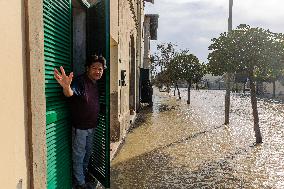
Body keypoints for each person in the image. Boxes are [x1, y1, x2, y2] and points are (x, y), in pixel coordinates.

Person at [54, 55, 106, 189]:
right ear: (87, 68)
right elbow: (70, 93)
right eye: (94, 68)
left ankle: (81, 176)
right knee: (79, 156)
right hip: (81, 128)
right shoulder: (80, 81)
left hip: (92, 127)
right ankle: (80, 184)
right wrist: (66, 87)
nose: (97, 71)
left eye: (100, 69)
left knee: (87, 154)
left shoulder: (95, 84)